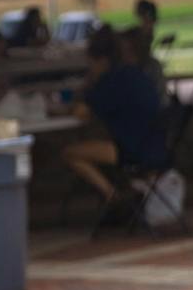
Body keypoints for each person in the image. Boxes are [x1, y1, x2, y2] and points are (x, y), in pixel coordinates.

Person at [62, 26, 167, 220]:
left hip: (131, 149)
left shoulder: (108, 82)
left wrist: (87, 85)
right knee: (93, 142)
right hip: (156, 145)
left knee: (70, 153)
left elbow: (82, 113)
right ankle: (118, 194)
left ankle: (111, 194)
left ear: (100, 60)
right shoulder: (136, 75)